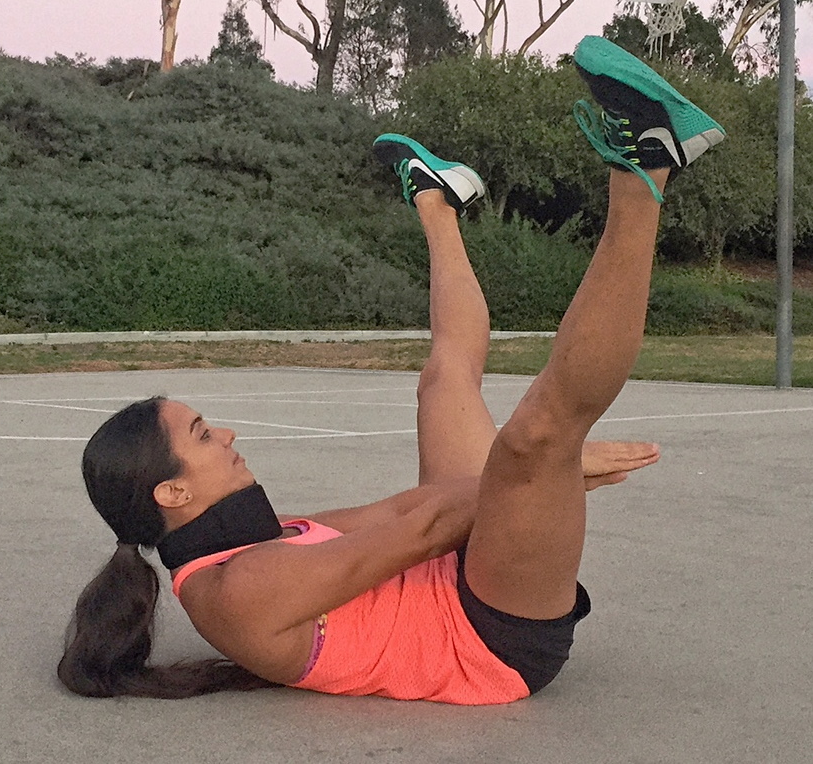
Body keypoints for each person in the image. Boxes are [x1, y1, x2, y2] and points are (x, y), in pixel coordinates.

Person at [58, 37, 724, 704]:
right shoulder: (233, 592)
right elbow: (424, 529)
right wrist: (541, 475)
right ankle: (650, 163)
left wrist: (525, 488)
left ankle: (438, 201)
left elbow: (403, 511)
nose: (226, 435)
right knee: (538, 439)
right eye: (201, 434)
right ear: (170, 494)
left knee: (445, 378)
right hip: (492, 639)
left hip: (461, 569)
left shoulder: (262, 537)